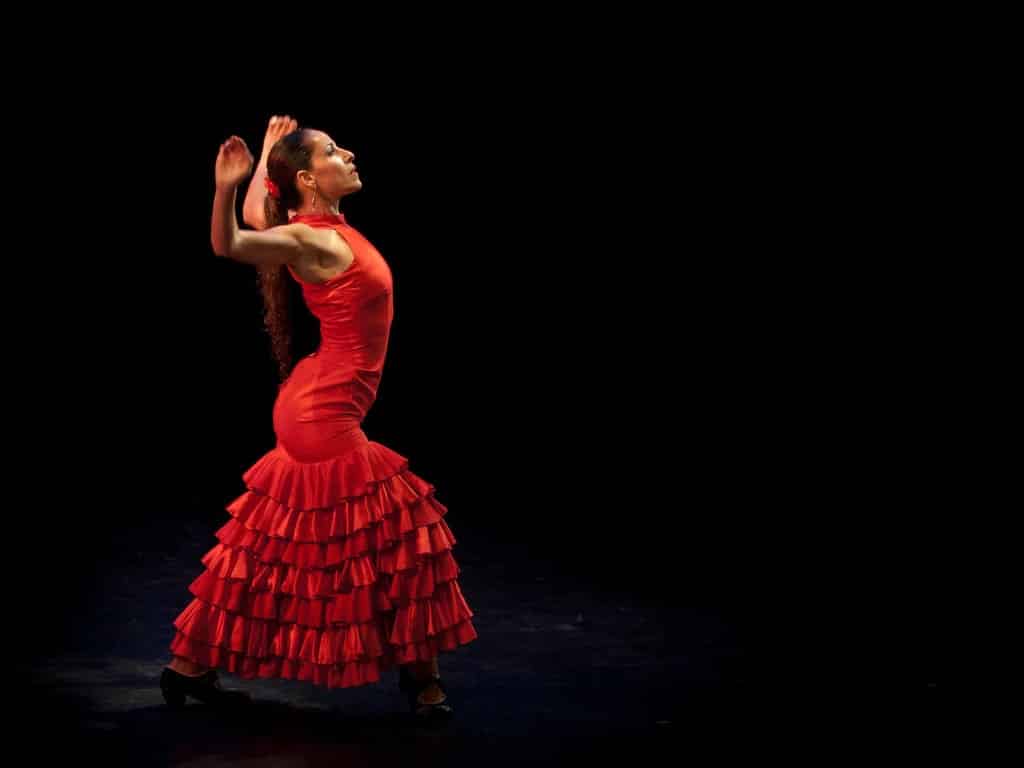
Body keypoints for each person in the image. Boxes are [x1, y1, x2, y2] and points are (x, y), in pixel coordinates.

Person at [159, 116, 478, 720]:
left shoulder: (316, 228)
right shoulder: (312, 241)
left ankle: (189, 668)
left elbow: (262, 220)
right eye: (335, 150)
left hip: (316, 399)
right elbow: (231, 242)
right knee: (398, 533)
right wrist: (228, 184)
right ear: (309, 177)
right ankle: (423, 680)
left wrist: (259, 172)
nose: (350, 154)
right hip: (322, 414)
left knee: (272, 544)